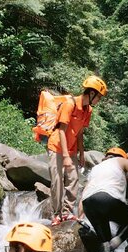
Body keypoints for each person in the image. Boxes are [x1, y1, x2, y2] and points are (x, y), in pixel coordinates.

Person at [47, 75, 107, 226]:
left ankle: (66, 213)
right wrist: (66, 156)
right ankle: (56, 214)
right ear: (91, 93)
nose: (99, 100)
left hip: (72, 148)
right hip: (57, 146)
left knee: (73, 179)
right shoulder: (70, 104)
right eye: (99, 97)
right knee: (57, 181)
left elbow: (80, 132)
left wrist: (81, 153)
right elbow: (61, 131)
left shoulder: (88, 110)